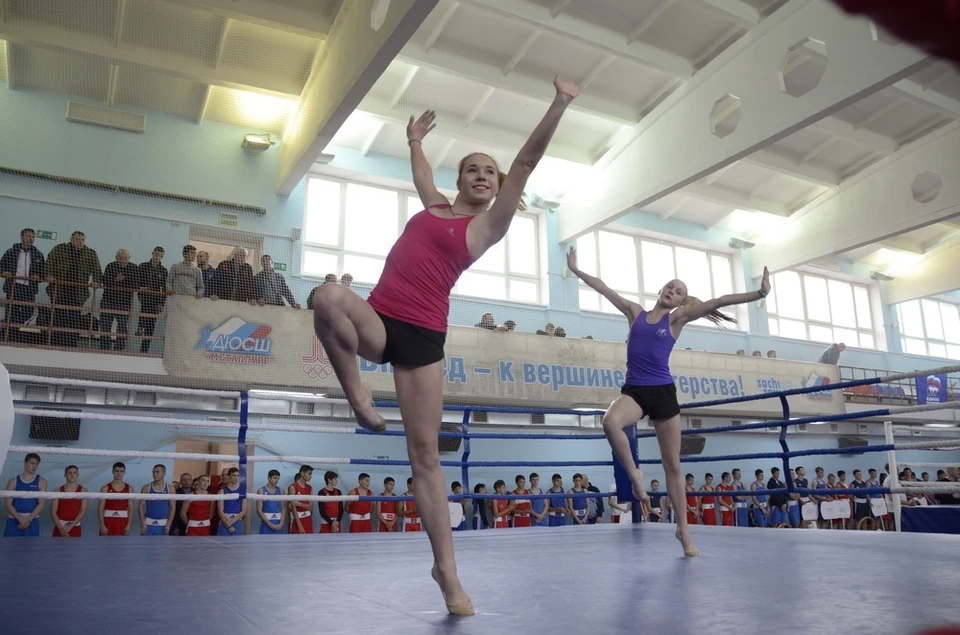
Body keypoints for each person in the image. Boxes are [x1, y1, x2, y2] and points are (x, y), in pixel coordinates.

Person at [310, 76, 579, 614]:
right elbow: (423, 176)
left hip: (424, 338)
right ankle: (358, 395)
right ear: (459, 181)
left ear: (496, 187)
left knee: (426, 455)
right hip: (380, 319)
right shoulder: (433, 206)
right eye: (472, 169)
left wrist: (559, 103)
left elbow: (525, 163)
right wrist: (414, 140)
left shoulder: (487, 227)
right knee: (328, 297)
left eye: (489, 172)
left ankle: (446, 572)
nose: (482, 175)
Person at [567, 246, 770, 556]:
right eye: (670, 287)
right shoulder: (635, 313)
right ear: (661, 289)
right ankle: (635, 473)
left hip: (662, 391)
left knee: (672, 464)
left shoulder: (676, 320)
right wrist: (576, 270)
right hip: (635, 391)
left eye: (678, 293)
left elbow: (718, 301)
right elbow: (603, 288)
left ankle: (683, 531)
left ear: (680, 301)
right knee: (610, 422)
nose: (672, 293)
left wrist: (759, 293)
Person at [4, 453, 46, 537]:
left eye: (37, 464)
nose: (34, 466)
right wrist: (20, 519)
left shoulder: (41, 481)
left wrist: (28, 520)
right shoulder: (13, 481)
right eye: (32, 463)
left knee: (32, 545)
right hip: (14, 519)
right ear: (25, 463)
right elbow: (8, 504)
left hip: (32, 520)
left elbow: (41, 504)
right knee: (10, 545)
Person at [51, 465, 87, 538]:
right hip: (59, 527)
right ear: (65, 475)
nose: (72, 475)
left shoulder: (83, 491)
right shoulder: (58, 491)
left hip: (75, 526)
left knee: (75, 546)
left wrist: (69, 527)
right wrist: (61, 528)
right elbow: (53, 512)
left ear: (78, 475)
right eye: (70, 473)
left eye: (74, 472)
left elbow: (82, 511)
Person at [257, 470, 286, 534]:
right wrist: (269, 524)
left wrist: (281, 523)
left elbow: (283, 508)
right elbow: (259, 510)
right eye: (275, 478)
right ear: (269, 478)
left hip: (278, 524)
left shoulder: (281, 490)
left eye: (278, 478)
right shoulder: (261, 490)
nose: (277, 480)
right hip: (266, 523)